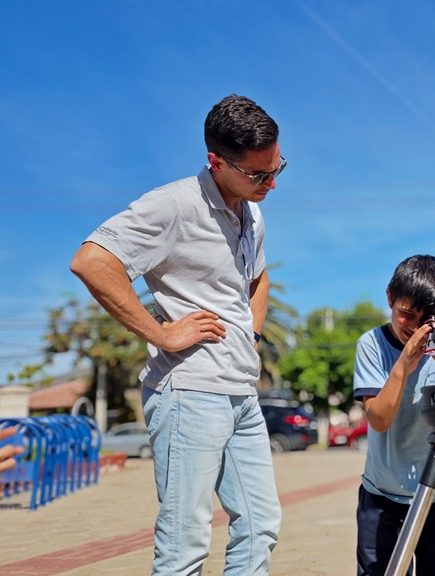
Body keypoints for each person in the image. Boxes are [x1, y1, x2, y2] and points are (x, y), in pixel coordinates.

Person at [70, 94, 284, 575]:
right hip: (189, 393)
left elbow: (259, 277)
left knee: (260, 525)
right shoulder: (172, 206)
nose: (271, 183)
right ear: (216, 161)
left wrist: (249, 331)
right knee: (186, 541)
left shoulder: (254, 213)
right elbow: (92, 261)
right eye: (258, 174)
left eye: (277, 169)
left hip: (241, 392)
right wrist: (163, 335)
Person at [353, 255, 435, 576]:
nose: (414, 327)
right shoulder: (372, 345)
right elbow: (378, 420)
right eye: (406, 314)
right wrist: (404, 364)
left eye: (425, 319)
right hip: (382, 496)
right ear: (390, 298)